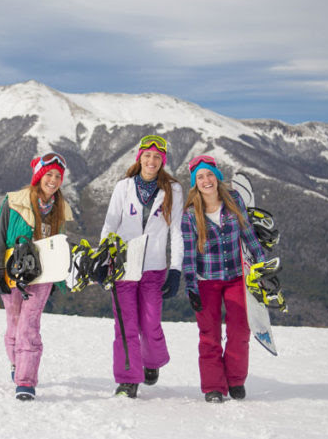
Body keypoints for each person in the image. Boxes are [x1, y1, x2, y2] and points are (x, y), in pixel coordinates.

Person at [99, 134, 184, 398]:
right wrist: (103, 258)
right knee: (125, 325)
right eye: (147, 155)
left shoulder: (173, 190)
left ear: (163, 161)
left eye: (157, 157)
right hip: (124, 264)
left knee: (150, 324)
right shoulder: (124, 187)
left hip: (154, 268)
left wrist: (176, 269)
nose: (151, 160)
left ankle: (153, 361)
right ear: (139, 158)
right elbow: (110, 224)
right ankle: (128, 379)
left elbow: (177, 232)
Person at [0, 152, 73, 401]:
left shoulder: (60, 208)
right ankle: (16, 364)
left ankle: (26, 381)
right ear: (39, 176)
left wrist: (59, 275)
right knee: (14, 323)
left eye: (58, 176)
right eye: (49, 174)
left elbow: (59, 244)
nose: (54, 180)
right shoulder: (14, 201)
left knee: (29, 326)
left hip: (42, 274)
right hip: (13, 270)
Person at [180, 155, 266, 403]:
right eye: (200, 177)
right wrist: (191, 288)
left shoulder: (234, 200)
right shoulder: (190, 214)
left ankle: (236, 379)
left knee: (240, 331)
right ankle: (213, 387)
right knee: (210, 335)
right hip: (206, 279)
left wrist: (260, 268)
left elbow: (249, 234)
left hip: (237, 277)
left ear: (217, 177)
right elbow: (189, 254)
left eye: (209, 175)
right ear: (195, 183)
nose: (206, 180)